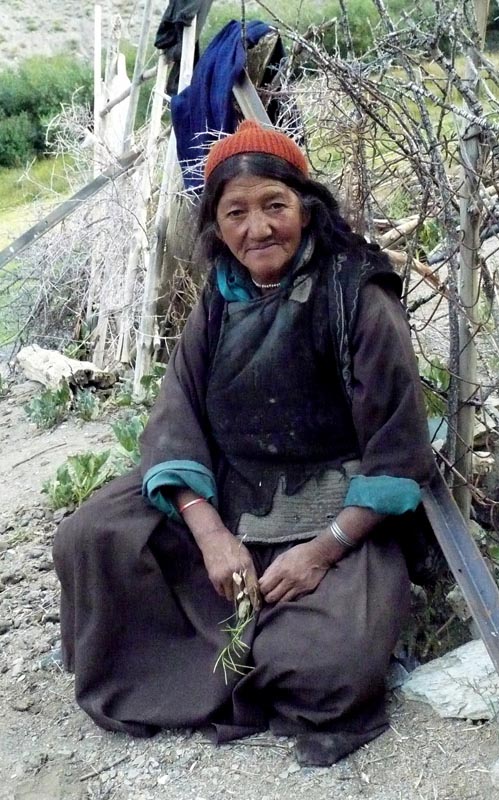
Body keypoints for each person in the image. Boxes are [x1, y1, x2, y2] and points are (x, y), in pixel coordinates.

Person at [53, 120, 435, 767]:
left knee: (333, 662)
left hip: (337, 506)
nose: (257, 230)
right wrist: (208, 534)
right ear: (217, 226)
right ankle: (217, 653)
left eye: (274, 207)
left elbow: (397, 450)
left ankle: (202, 655)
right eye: (236, 213)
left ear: (306, 210)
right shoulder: (221, 296)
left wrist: (321, 552)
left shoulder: (359, 296)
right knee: (88, 539)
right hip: (229, 489)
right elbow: (176, 412)